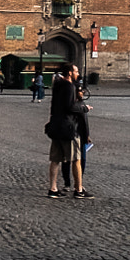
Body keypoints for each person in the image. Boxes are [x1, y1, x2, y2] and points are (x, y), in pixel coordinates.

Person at [46, 64, 84, 198]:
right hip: (67, 127)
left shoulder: (58, 86)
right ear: (69, 73)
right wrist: (84, 108)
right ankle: (78, 189)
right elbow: (70, 107)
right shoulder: (69, 86)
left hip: (56, 126)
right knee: (76, 159)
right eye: (76, 71)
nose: (77, 73)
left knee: (55, 159)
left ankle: (53, 188)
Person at [60, 66, 93, 196]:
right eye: (76, 71)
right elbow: (71, 111)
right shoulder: (71, 94)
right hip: (72, 131)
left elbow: (84, 121)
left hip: (80, 132)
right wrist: (84, 108)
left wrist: (87, 134)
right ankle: (71, 185)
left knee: (81, 160)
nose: (82, 93)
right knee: (69, 159)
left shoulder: (79, 101)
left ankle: (78, 183)